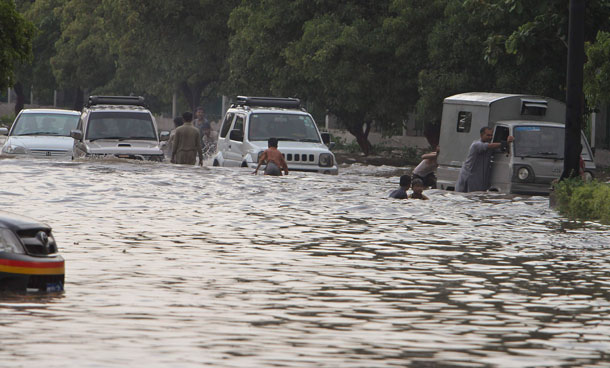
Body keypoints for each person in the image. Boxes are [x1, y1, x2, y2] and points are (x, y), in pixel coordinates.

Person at [455, 127, 514, 192]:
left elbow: (501, 150)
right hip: (468, 176)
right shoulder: (476, 145)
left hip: (480, 178)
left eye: (491, 135)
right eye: (488, 135)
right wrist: (505, 143)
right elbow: (489, 146)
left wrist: (509, 145)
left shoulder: (490, 147)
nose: (490, 137)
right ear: (481, 135)